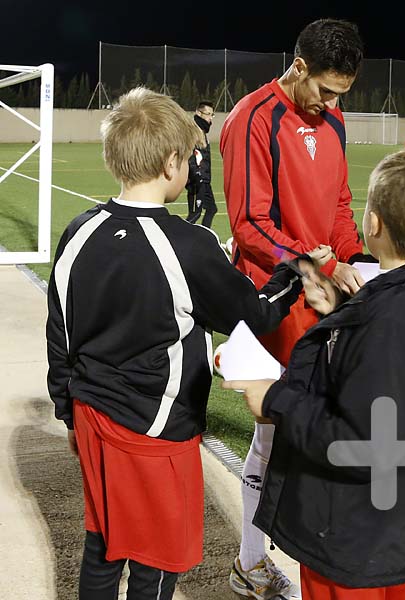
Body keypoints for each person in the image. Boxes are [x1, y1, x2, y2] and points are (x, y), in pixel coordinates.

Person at [45, 87, 301, 600]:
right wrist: (292, 274)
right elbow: (253, 314)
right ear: (170, 163)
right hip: (156, 429)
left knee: (104, 545)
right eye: (189, 157)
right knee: (157, 563)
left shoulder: (78, 230)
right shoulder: (190, 245)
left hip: (92, 414)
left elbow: (59, 335)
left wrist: (67, 413)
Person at [223, 150, 405, 600]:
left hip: (355, 534)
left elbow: (361, 445)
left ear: (373, 223)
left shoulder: (392, 320)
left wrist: (273, 398)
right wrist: (338, 315)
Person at [220, 18, 369, 599]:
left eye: (342, 94)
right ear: (298, 66)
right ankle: (250, 562)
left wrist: (359, 257)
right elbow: (250, 226)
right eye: (327, 90)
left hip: (321, 297)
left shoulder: (333, 119)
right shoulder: (252, 118)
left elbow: (338, 204)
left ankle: (285, 555)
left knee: (307, 433)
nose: (333, 103)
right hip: (272, 301)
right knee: (271, 433)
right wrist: (320, 264)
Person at [185, 100, 217, 228]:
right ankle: (179, 241)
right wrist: (195, 175)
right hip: (196, 180)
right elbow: (188, 155)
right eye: (207, 114)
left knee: (211, 209)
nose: (210, 118)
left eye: (211, 114)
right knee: (195, 214)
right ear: (198, 113)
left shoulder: (202, 131)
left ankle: (205, 237)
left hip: (205, 180)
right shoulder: (192, 131)